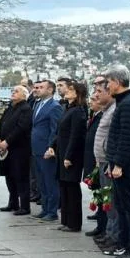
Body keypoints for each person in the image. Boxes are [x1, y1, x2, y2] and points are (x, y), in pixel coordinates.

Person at [101, 65, 130, 258]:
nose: (106, 86)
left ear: (117, 82)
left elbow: (127, 138)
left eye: (108, 82)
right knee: (121, 205)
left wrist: (118, 164)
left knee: (129, 207)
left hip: (125, 165)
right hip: (117, 163)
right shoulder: (124, 102)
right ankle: (124, 244)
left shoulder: (129, 104)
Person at [51, 81, 88, 232]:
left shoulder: (78, 111)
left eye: (71, 90)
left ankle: (74, 223)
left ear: (77, 93)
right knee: (64, 186)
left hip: (70, 154)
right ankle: (66, 220)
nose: (67, 91)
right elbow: (61, 132)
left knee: (72, 188)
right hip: (62, 151)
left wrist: (69, 156)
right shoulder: (68, 108)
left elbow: (75, 136)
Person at [0, 85, 34, 215]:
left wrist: (7, 141)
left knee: (20, 177)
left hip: (19, 149)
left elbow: (21, 128)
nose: (13, 93)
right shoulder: (10, 108)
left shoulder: (26, 109)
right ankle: (13, 203)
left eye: (16, 91)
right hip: (5, 149)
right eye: (13, 91)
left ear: (24, 95)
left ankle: (25, 206)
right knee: (9, 176)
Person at [89, 75, 119, 249]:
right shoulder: (107, 109)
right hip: (101, 161)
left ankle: (113, 236)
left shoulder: (114, 109)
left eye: (100, 91)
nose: (96, 95)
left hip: (109, 161)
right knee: (107, 201)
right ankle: (108, 233)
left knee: (112, 202)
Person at [30, 80, 63, 221]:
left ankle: (52, 210)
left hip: (46, 150)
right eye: (36, 87)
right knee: (41, 181)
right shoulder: (37, 104)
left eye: (41, 87)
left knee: (50, 181)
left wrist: (51, 147)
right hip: (36, 149)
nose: (37, 90)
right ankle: (45, 208)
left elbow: (55, 129)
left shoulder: (54, 106)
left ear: (50, 90)